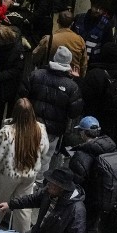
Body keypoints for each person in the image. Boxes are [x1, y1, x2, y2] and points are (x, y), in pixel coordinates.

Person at [68, 116, 117, 233]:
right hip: (100, 201)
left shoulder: (83, 154)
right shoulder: (110, 147)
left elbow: (74, 182)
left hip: (84, 202)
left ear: (83, 133)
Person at [21, 47, 84, 178]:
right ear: (69, 63)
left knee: (25, 153)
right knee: (45, 159)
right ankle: (36, 187)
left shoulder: (36, 75)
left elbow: (22, 97)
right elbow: (74, 112)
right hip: (53, 131)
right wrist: (75, 81)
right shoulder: (72, 86)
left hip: (31, 124)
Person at [0, 98, 49, 232]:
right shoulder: (40, 128)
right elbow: (45, 150)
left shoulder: (7, 131)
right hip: (30, 173)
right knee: (23, 206)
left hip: (10, 174)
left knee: (2, 200)